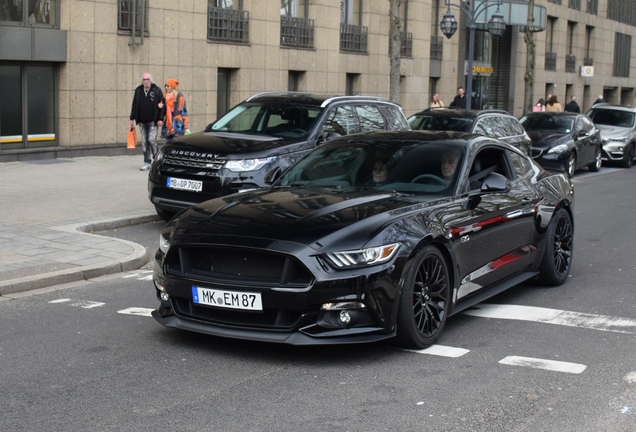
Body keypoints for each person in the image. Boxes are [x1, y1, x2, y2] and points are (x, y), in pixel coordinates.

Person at [130, 73, 165, 171]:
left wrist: (161, 119)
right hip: (141, 121)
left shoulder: (156, 90)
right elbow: (134, 105)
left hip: (153, 121)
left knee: (151, 139)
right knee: (144, 142)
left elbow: (162, 106)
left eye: (147, 79)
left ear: (151, 80)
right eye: (144, 79)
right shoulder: (138, 91)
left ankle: (157, 159)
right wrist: (131, 118)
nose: (146, 81)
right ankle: (147, 162)